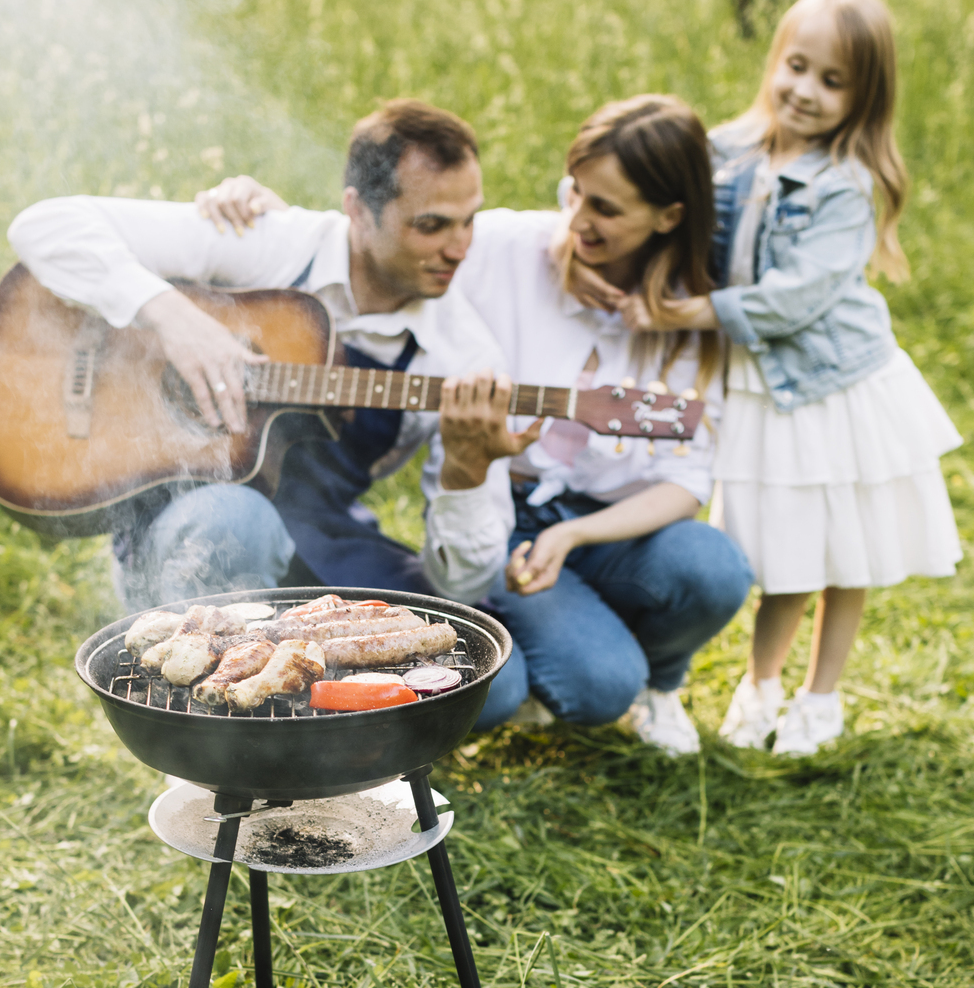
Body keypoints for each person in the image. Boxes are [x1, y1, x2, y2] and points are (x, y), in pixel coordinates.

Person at [211, 96, 754, 753]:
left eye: (605, 209)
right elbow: (388, 240)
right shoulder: (502, 246)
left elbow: (688, 478)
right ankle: (557, 652)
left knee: (714, 566)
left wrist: (575, 535)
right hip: (506, 517)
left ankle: (650, 682)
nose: (576, 219)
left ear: (668, 218)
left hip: (605, 530)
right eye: (574, 192)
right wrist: (275, 223)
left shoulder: (693, 323)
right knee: (596, 682)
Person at [6, 100, 531, 610]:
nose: (461, 248)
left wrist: (468, 470)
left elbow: (464, 586)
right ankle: (193, 681)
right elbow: (44, 225)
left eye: (469, 221)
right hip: (197, 521)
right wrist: (175, 319)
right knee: (236, 523)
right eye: (432, 225)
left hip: (321, 530)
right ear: (358, 212)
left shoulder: (466, 358)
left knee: (488, 673)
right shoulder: (272, 242)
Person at [634, 0, 961, 757]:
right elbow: (654, 187)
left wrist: (696, 314)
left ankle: (823, 695)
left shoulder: (847, 186)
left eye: (832, 80)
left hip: (834, 384)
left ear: (864, 96)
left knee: (846, 547)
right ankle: (762, 683)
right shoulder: (728, 148)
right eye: (796, 66)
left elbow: (795, 299)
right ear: (774, 61)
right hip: (759, 386)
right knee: (782, 545)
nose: (805, 91)